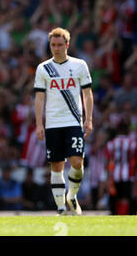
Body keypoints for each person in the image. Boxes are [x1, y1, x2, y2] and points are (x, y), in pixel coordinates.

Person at [34, 27, 94, 216]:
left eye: (60, 45)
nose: (56, 48)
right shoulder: (43, 68)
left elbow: (87, 93)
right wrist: (39, 123)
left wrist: (89, 118)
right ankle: (60, 208)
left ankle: (72, 196)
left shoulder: (79, 65)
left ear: (67, 45)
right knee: (57, 165)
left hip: (73, 121)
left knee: (77, 161)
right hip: (53, 123)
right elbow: (39, 98)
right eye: (53, 45)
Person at [105, 120, 136, 215]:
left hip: (114, 175)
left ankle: (113, 215)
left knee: (114, 197)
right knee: (128, 197)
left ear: (118, 129)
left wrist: (108, 176)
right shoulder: (132, 143)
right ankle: (130, 215)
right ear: (127, 130)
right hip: (128, 174)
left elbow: (108, 161)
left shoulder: (111, 143)